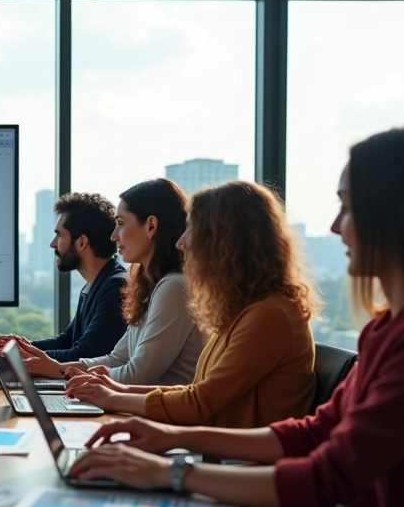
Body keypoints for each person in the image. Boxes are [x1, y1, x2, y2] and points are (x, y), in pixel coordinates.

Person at [68, 124, 404, 507]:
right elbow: (313, 432)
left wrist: (170, 472)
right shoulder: (388, 328)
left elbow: (326, 477)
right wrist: (171, 441)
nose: (334, 226)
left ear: (399, 214)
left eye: (347, 206)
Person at [66, 180, 318, 428]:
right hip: (217, 448)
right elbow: (198, 390)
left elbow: (199, 402)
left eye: (192, 229)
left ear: (225, 242)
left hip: (237, 460)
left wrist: (115, 397)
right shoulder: (245, 310)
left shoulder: (269, 315)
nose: (181, 242)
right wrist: (119, 389)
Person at [16, 178, 205, 384]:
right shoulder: (149, 288)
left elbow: (136, 375)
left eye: (121, 224)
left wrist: (67, 373)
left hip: (157, 415)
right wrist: (58, 368)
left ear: (151, 226)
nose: (114, 236)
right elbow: (117, 358)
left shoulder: (174, 287)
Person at [0, 193, 127, 366]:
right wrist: (24, 347)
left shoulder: (116, 286)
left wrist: (20, 358)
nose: (53, 243)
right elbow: (68, 340)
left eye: (59, 235)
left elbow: (87, 353)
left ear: (82, 242)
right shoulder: (96, 282)